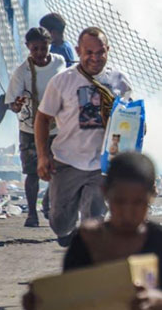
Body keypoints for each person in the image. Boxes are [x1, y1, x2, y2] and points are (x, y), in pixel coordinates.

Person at [21, 152, 162, 310]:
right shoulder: (85, 241)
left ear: (152, 196)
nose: (128, 212)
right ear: (105, 193)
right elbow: (67, 299)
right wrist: (39, 301)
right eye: (119, 202)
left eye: (138, 203)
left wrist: (156, 299)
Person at [35, 27, 133, 246]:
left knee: (93, 219)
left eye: (100, 52)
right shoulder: (62, 81)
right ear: (78, 51)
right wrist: (42, 156)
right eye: (89, 52)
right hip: (67, 161)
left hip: (103, 165)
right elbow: (42, 118)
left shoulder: (119, 80)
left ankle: (88, 257)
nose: (95, 58)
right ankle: (64, 228)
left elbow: (129, 118)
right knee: (59, 221)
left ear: (108, 50)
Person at [5, 27, 66, 227]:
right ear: (28, 48)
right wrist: (18, 104)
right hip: (30, 128)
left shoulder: (59, 62)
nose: (40, 53)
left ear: (50, 46)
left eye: (43, 48)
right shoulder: (21, 72)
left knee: (59, 168)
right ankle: (32, 214)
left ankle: (48, 202)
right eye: (35, 49)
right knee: (32, 172)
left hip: (57, 127)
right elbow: (12, 105)